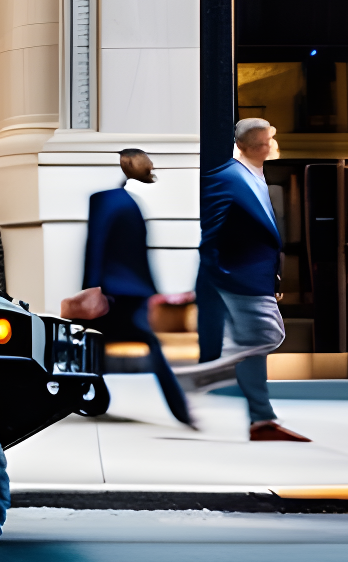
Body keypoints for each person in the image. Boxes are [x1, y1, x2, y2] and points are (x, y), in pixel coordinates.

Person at [190, 118, 309, 441]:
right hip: (239, 279)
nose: (274, 143)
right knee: (263, 338)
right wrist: (223, 280)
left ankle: (261, 419)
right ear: (257, 146)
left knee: (256, 342)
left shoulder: (256, 177)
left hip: (256, 279)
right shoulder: (227, 177)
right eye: (270, 139)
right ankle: (205, 379)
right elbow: (210, 238)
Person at [79, 149, 194, 427]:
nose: (152, 170)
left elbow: (97, 244)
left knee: (86, 342)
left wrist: (89, 288)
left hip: (116, 294)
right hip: (124, 294)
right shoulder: (126, 203)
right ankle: (180, 410)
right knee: (99, 343)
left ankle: (91, 397)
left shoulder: (109, 201)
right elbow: (126, 252)